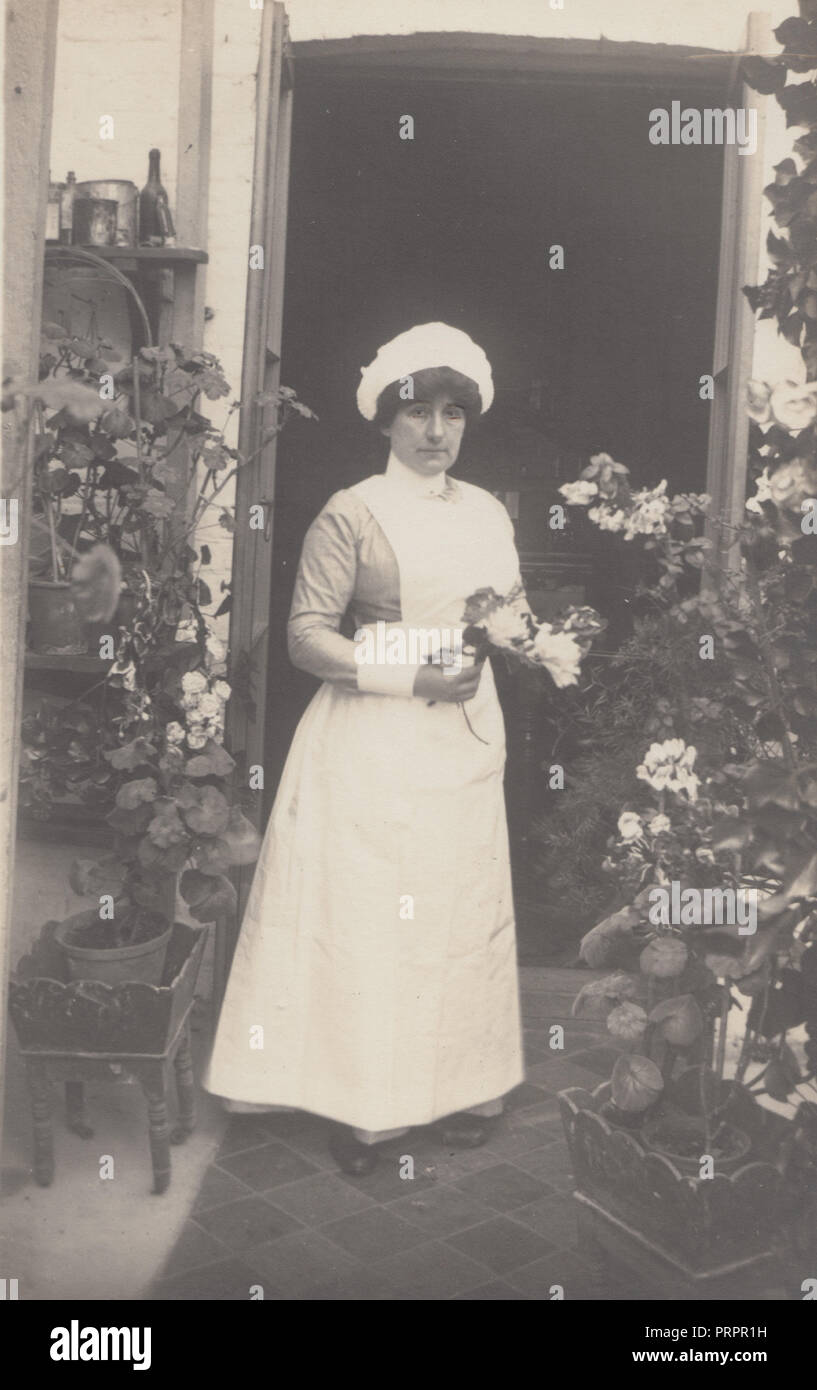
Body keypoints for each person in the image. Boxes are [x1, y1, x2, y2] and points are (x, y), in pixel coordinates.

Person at [203, 323, 526, 1175]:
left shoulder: (489, 511)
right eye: (417, 412)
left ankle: (460, 1085)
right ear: (386, 421)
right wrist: (412, 671)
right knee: (380, 918)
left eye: (452, 414)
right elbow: (306, 640)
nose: (435, 431)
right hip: (373, 745)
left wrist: (530, 642)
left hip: (462, 741)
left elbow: (507, 617)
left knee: (455, 914)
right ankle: (367, 1103)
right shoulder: (353, 511)